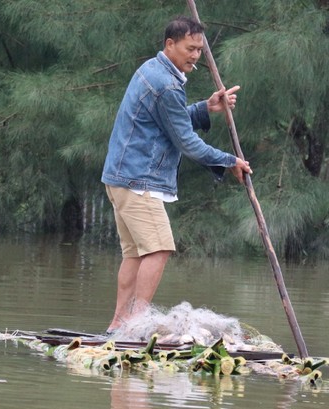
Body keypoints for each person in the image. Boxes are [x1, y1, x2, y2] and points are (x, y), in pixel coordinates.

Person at [101, 16, 252, 333]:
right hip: (139, 180)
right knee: (158, 249)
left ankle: (119, 323)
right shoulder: (167, 84)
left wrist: (203, 109)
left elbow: (165, 120)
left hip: (119, 178)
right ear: (170, 44)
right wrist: (229, 160)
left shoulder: (151, 70)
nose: (195, 56)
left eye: (199, 49)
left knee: (135, 255)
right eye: (190, 48)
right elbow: (186, 142)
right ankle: (137, 324)